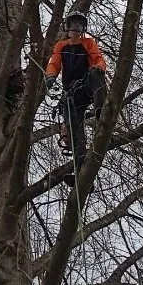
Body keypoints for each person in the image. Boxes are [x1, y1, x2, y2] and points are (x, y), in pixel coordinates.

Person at [44, 11, 107, 174]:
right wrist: (50, 77)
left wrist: (98, 67)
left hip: (86, 84)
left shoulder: (88, 43)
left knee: (96, 74)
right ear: (68, 27)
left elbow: (97, 58)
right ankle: (81, 170)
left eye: (79, 25)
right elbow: (54, 63)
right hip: (71, 94)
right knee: (74, 129)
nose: (76, 28)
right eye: (73, 25)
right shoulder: (61, 46)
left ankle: (102, 109)